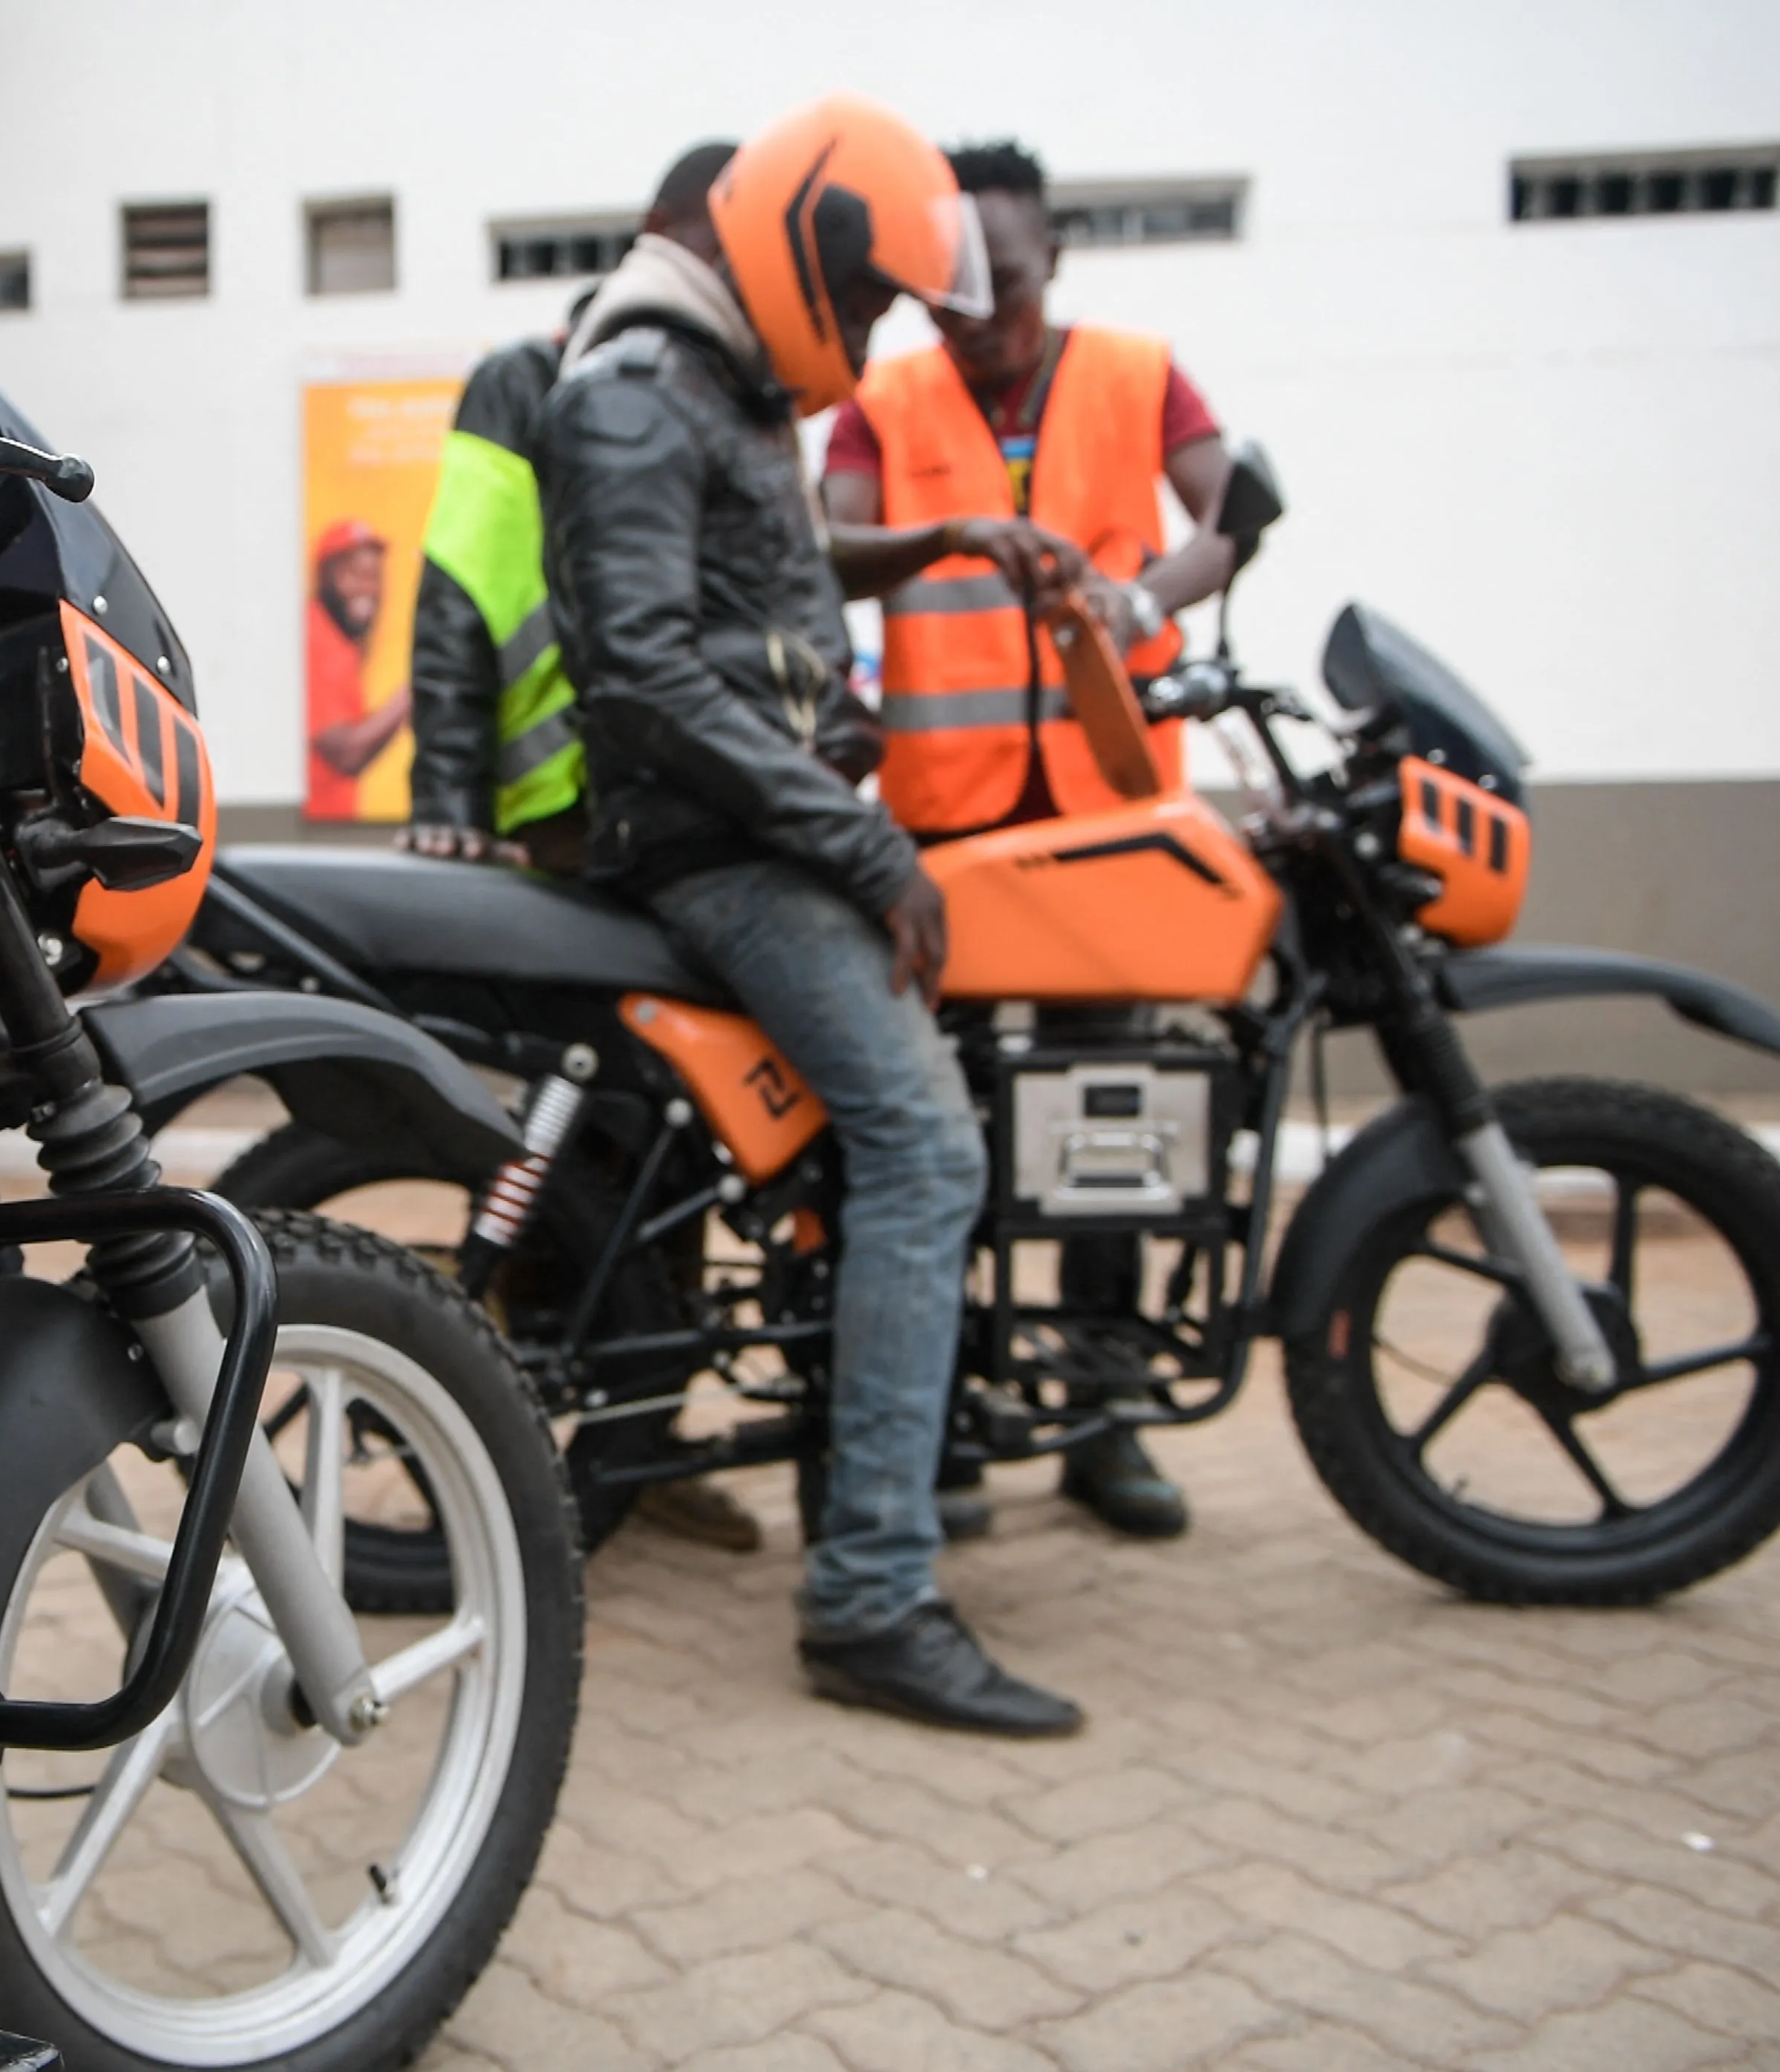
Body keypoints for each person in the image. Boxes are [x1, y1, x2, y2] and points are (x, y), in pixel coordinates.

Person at [536, 91, 1079, 1735]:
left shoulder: (715, 376)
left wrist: (940, 539)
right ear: (793, 244)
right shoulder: (638, 388)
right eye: (866, 301)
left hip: (757, 825)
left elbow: (760, 576)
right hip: (728, 847)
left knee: (897, 1137)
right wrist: (859, 841)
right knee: (930, 1147)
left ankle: (898, 1450)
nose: (868, 335)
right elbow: (641, 671)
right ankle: (870, 1594)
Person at [822, 138, 1241, 1543]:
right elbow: (826, 545)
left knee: (1108, 1113)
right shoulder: (883, 395)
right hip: (946, 824)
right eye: (956, 294)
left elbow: (1232, 507)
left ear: (1055, 257)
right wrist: (941, 538)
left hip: (1111, 820)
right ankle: (945, 1424)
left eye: (1005, 281)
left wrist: (1147, 596)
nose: (981, 313)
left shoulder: (1137, 372)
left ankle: (1105, 1420)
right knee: (952, 1134)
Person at [404, 140, 738, 880]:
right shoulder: (523, 385)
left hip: (687, 801)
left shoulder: (730, 397)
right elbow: (459, 599)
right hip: (559, 815)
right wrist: (448, 807)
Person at [304, 519, 403, 814]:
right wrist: (412, 691)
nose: (367, 589)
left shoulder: (339, 641)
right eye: (351, 574)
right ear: (325, 577)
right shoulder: (315, 636)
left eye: (373, 576)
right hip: (312, 838)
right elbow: (346, 753)